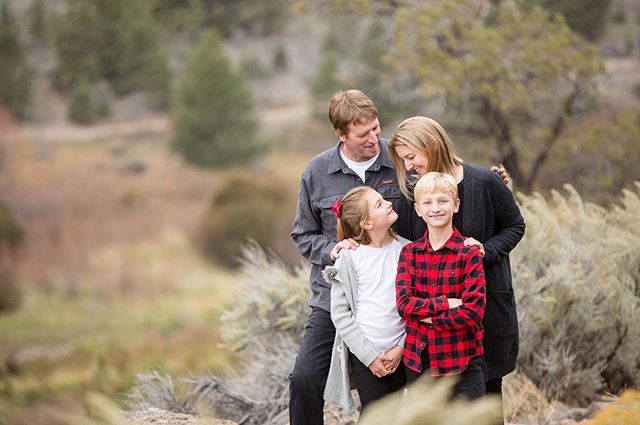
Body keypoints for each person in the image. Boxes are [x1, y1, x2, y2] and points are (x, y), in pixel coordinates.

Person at [388, 116, 525, 421]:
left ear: (431, 145)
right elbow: (389, 235)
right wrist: (349, 242)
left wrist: (486, 250)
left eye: (412, 157)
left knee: (486, 400)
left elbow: (515, 225)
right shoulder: (413, 195)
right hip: (431, 332)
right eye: (403, 160)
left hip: (484, 307)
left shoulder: (484, 182)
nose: (408, 166)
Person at [289, 89, 411, 425]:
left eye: (376, 128)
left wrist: (490, 183)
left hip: (392, 301)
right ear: (342, 135)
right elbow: (302, 234)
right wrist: (332, 249)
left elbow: (436, 193)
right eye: (364, 134)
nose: (375, 138)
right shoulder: (316, 172)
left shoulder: (399, 159)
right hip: (335, 300)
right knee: (304, 380)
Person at [396, 172, 486, 398]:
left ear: (456, 205)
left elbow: (473, 311)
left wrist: (428, 317)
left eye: (443, 201)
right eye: (427, 202)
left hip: (462, 359)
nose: (435, 208)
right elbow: (404, 305)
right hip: (420, 360)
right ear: (418, 209)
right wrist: (446, 303)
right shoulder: (409, 253)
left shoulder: (469, 254)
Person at [322, 186, 409, 416]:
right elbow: (340, 314)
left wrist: (401, 347)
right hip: (367, 356)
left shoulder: (407, 251)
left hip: (400, 353)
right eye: (379, 204)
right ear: (366, 224)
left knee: (395, 414)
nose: (388, 203)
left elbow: (416, 304)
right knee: (373, 415)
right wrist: (369, 357)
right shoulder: (349, 258)